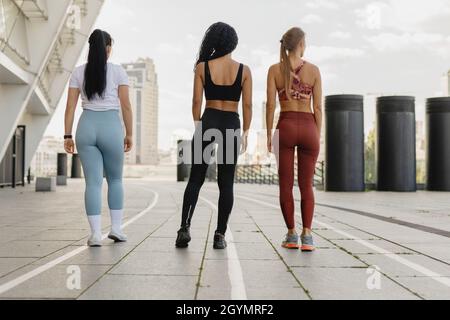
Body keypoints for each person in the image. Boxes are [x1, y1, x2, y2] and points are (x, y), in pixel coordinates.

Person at [176, 22, 253, 250]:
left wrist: (198, 124)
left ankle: (184, 229)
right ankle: (220, 235)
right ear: (233, 43)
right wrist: (246, 132)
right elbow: (247, 105)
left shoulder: (202, 67)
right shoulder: (244, 70)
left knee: (196, 178)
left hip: (208, 119)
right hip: (231, 122)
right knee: (226, 182)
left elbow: (196, 102)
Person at [64, 29, 133, 247]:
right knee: (115, 180)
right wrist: (129, 133)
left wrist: (67, 135)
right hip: (111, 127)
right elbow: (126, 106)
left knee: (92, 183)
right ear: (108, 48)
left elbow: (70, 108)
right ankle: (116, 229)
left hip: (86, 127)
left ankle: (95, 235)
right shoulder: (118, 71)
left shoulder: (77, 72)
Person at [266, 27, 322, 251]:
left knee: (286, 184)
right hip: (309, 126)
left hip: (286, 126)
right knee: (306, 184)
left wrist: (270, 133)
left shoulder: (274, 70)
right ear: (300, 44)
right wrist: (318, 135)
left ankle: (291, 234)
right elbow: (317, 107)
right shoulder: (314, 70)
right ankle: (307, 235)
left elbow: (271, 104)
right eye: (305, 42)